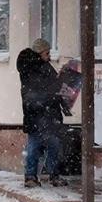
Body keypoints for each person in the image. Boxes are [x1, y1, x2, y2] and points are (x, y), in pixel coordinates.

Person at [17, 39, 68, 188]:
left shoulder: (43, 66)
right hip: (37, 112)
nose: (49, 55)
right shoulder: (30, 67)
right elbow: (40, 89)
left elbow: (51, 86)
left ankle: (53, 174)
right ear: (39, 53)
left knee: (54, 144)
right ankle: (31, 176)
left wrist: (61, 78)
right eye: (47, 52)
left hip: (48, 112)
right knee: (35, 144)